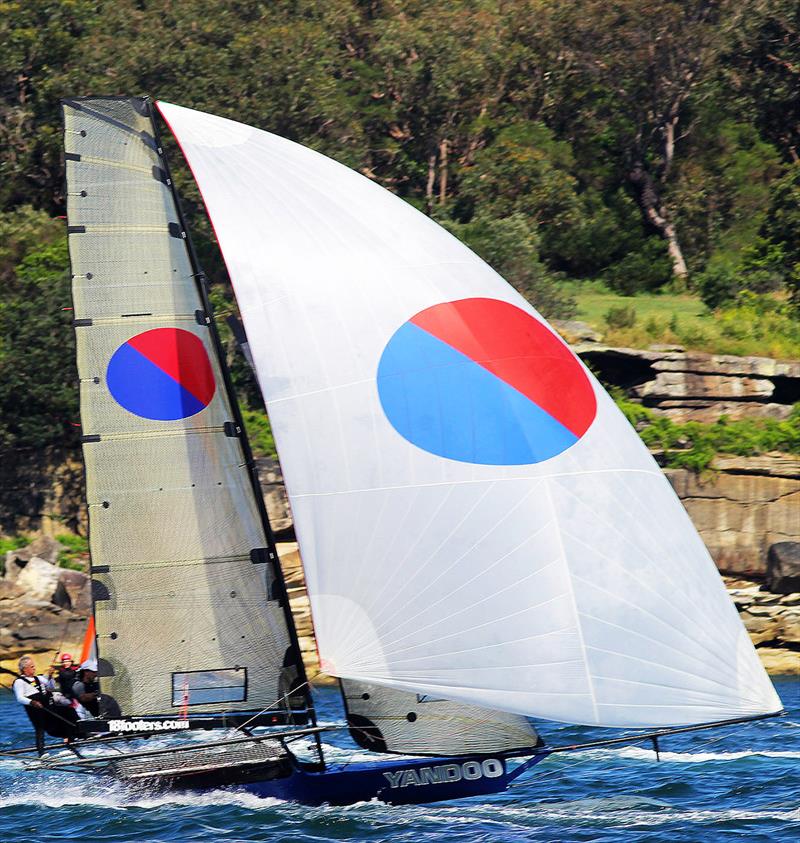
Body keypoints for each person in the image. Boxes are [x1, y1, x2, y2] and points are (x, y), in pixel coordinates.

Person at [12, 655, 78, 755]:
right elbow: (19, 698)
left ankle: (73, 738)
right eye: (32, 666)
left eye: (34, 666)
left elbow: (51, 687)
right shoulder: (19, 682)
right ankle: (41, 753)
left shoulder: (38, 678)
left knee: (68, 712)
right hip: (35, 709)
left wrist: (51, 676)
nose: (34, 668)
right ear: (25, 669)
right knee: (40, 728)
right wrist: (32, 702)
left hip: (47, 706)